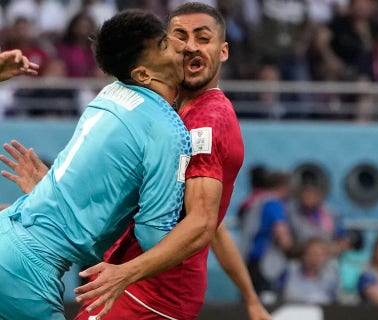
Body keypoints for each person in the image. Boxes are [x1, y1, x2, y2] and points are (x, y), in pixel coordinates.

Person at [1, 4, 270, 320]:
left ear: (224, 51)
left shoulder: (110, 96)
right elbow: (174, 227)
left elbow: (204, 221)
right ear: (143, 72)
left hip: (138, 285)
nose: (186, 47)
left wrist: (54, 195)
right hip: (58, 274)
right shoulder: (167, 126)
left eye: (201, 37)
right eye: (172, 40)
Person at [281, 238, 339, 304]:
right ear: (304, 255)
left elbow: (336, 302)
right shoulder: (290, 271)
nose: (315, 258)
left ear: (325, 257)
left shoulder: (331, 277)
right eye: (312, 254)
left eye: (319, 255)